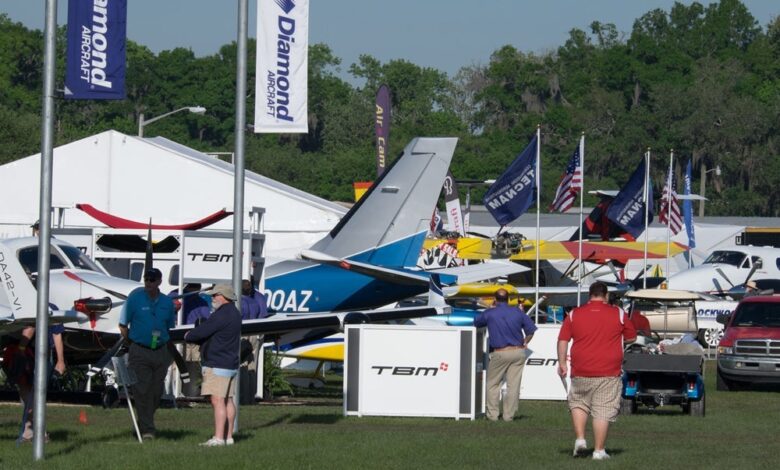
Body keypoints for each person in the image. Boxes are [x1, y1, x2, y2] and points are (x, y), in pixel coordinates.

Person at [557, 282, 637, 460]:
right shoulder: (618, 313)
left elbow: (562, 340)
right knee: (603, 409)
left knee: (578, 403)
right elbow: (632, 336)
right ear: (606, 295)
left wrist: (562, 363)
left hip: (580, 368)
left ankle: (580, 438)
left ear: (589, 295)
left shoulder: (574, 314)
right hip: (608, 370)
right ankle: (599, 450)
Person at [119, 268, 176, 441]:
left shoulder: (167, 302)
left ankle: (143, 421)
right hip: (139, 350)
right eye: (146, 280)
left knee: (156, 391)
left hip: (160, 350)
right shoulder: (134, 299)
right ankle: (147, 430)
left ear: (159, 281)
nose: (148, 283)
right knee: (141, 390)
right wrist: (133, 343)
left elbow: (169, 327)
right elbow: (123, 326)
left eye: (152, 280)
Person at [184, 284, 242, 447]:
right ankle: (229, 437)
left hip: (217, 363)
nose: (212, 298)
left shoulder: (221, 314)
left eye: (214, 295)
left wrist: (189, 335)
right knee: (228, 400)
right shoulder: (235, 313)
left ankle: (218, 438)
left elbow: (203, 331)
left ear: (223, 296)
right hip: (230, 363)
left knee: (217, 400)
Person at [474, 288, 537, 422]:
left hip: (500, 352)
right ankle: (509, 416)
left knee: (493, 384)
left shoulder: (490, 313)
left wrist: (490, 308)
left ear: (495, 299)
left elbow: (477, 322)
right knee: (513, 385)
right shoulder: (517, 312)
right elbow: (531, 330)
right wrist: (525, 342)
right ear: (508, 299)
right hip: (518, 351)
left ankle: (493, 415)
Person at [1, 323, 66, 443]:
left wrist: (60, 360)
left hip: (34, 353)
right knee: (29, 396)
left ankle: (36, 433)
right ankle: (31, 432)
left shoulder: (49, 309)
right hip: (25, 352)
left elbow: (54, 333)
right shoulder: (24, 305)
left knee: (33, 397)